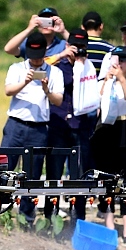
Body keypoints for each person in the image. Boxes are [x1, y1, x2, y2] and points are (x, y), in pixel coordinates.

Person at [1, 31, 63, 223]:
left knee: (33, 174)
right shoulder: (16, 68)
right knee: (6, 167)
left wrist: (46, 89)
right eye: (32, 58)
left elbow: (58, 100)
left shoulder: (55, 72)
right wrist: (25, 81)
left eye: (38, 59)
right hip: (15, 124)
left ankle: (26, 215)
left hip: (39, 129)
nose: (35, 62)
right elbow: (8, 91)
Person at [42, 29, 99, 222]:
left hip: (80, 126)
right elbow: (38, 66)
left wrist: (82, 66)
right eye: (75, 47)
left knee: (79, 175)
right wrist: (61, 55)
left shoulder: (89, 68)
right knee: (53, 174)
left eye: (82, 47)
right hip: (58, 125)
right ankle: (50, 216)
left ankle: (78, 218)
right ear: (68, 46)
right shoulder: (58, 64)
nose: (78, 51)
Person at [91, 46, 126, 243]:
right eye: (116, 60)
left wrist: (121, 79)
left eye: (123, 60)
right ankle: (110, 227)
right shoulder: (105, 81)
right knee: (107, 180)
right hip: (106, 131)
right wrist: (107, 80)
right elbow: (97, 99)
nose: (119, 64)